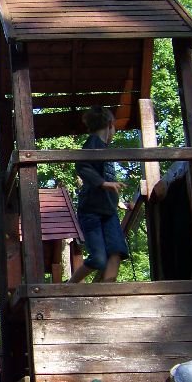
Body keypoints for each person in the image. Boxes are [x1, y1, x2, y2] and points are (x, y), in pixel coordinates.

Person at [68, 105, 129, 283]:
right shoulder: (93, 142)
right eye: (115, 128)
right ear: (110, 124)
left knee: (117, 250)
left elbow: (108, 181)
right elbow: (82, 165)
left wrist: (120, 202)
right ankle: (69, 285)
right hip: (92, 211)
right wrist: (103, 183)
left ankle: (109, 289)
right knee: (99, 259)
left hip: (108, 211)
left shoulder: (105, 149)